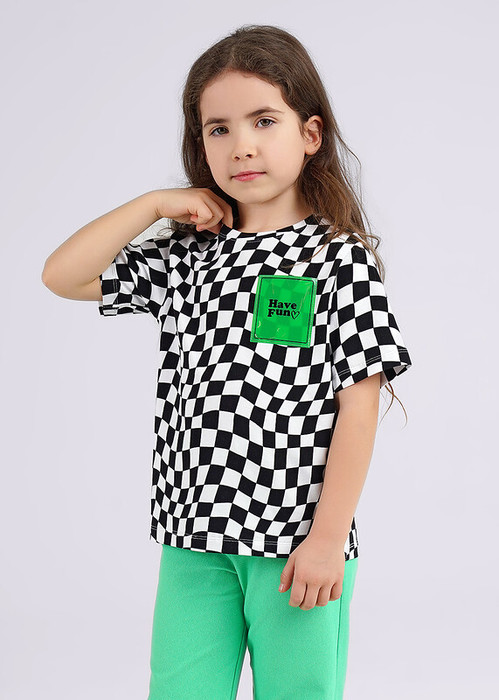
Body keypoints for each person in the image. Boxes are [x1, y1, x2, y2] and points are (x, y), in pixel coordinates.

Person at [42, 23, 413, 700]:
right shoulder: (187, 258)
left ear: (310, 133)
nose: (241, 144)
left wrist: (327, 538)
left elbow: (359, 407)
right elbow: (62, 275)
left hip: (293, 542)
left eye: (263, 121)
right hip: (193, 536)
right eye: (218, 128)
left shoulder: (337, 258)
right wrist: (153, 205)